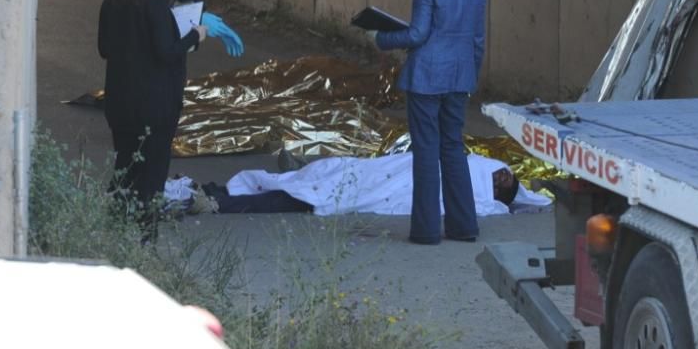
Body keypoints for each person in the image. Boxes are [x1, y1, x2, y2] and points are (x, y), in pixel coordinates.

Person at [372, 0, 487, 244]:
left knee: (426, 150)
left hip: (426, 76)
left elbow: (417, 34)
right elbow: (478, 38)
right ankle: (464, 226)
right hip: (460, 75)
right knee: (453, 147)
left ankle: (425, 230)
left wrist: (380, 38)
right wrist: (471, 75)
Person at [97, 0, 207, 242]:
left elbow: (104, 48)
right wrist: (194, 35)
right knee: (152, 174)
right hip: (155, 103)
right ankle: (147, 241)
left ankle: (114, 236)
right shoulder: (155, 2)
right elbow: (167, 51)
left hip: (119, 101)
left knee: (126, 167)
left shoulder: (112, 1)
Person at [219, 152, 541, 217]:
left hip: (392, 186)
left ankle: (222, 202)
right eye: (505, 171)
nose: (502, 174)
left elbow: (482, 207)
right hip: (390, 168)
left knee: (318, 193)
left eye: (503, 181)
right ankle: (219, 194)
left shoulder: (477, 196)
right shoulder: (466, 162)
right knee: (331, 173)